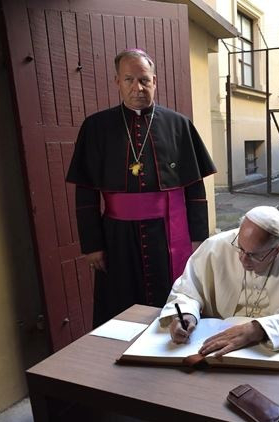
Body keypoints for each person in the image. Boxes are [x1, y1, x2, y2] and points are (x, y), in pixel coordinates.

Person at [66, 49, 216, 327]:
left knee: (173, 300)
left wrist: (197, 239)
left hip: (167, 234)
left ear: (154, 81)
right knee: (120, 303)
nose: (138, 87)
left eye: (145, 80)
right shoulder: (96, 127)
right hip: (117, 237)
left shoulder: (178, 125)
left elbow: (195, 191)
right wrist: (92, 245)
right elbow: (86, 194)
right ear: (117, 82)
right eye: (129, 79)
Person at [160, 206, 279, 355]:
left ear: (278, 249)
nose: (243, 259)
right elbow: (186, 290)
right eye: (240, 248)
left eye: (254, 255)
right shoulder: (215, 247)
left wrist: (259, 329)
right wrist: (186, 313)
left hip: (270, 348)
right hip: (213, 342)